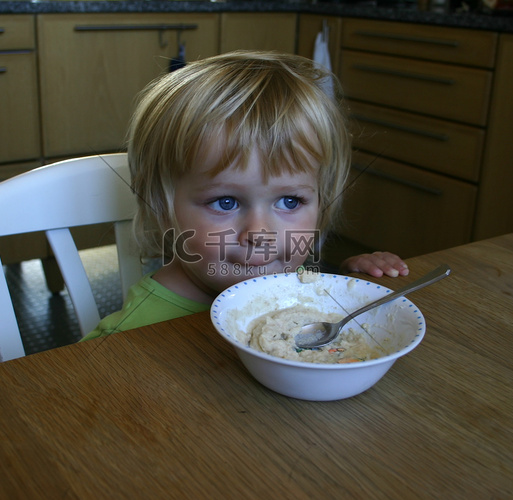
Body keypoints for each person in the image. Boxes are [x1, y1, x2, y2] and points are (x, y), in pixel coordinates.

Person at [81, 51, 407, 341]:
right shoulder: (129, 337)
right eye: (226, 202)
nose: (260, 235)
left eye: (289, 201)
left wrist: (348, 285)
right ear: (159, 205)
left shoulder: (294, 280)